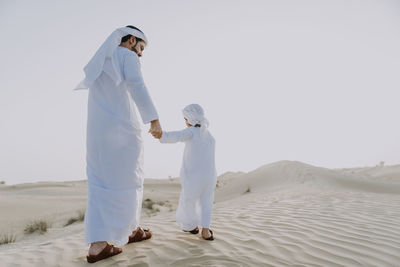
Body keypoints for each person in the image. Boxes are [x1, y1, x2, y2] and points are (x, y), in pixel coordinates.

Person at [75, 25, 162, 263]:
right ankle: (129, 231)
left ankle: (101, 244)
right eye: (141, 47)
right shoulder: (126, 55)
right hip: (121, 131)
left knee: (100, 183)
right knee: (129, 180)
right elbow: (137, 85)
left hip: (97, 134)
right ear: (131, 40)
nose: (141, 54)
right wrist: (153, 119)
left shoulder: (102, 60)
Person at [156, 104, 217, 240]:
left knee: (188, 201)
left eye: (185, 118)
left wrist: (161, 135)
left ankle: (191, 226)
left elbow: (177, 136)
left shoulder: (191, 132)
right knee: (206, 202)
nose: (185, 121)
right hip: (210, 176)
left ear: (190, 118)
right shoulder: (209, 135)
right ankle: (206, 231)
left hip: (194, 177)